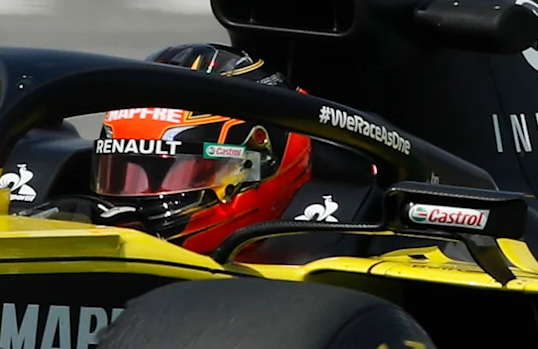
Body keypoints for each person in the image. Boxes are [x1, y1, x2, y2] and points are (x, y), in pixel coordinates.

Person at [71, 43, 353, 255]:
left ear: (256, 160)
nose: (136, 204)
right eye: (125, 175)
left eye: (179, 174)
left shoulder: (337, 262)